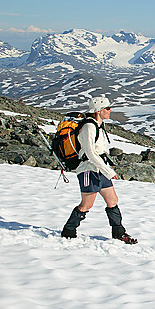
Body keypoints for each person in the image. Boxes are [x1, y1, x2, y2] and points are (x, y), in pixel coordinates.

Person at [60, 96, 137, 244]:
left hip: (99, 169)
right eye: (107, 108)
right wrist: (108, 171)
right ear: (99, 111)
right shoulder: (89, 127)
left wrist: (105, 169)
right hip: (89, 169)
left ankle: (119, 233)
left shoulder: (97, 124)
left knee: (112, 200)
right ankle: (69, 230)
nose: (110, 110)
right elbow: (90, 153)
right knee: (86, 205)